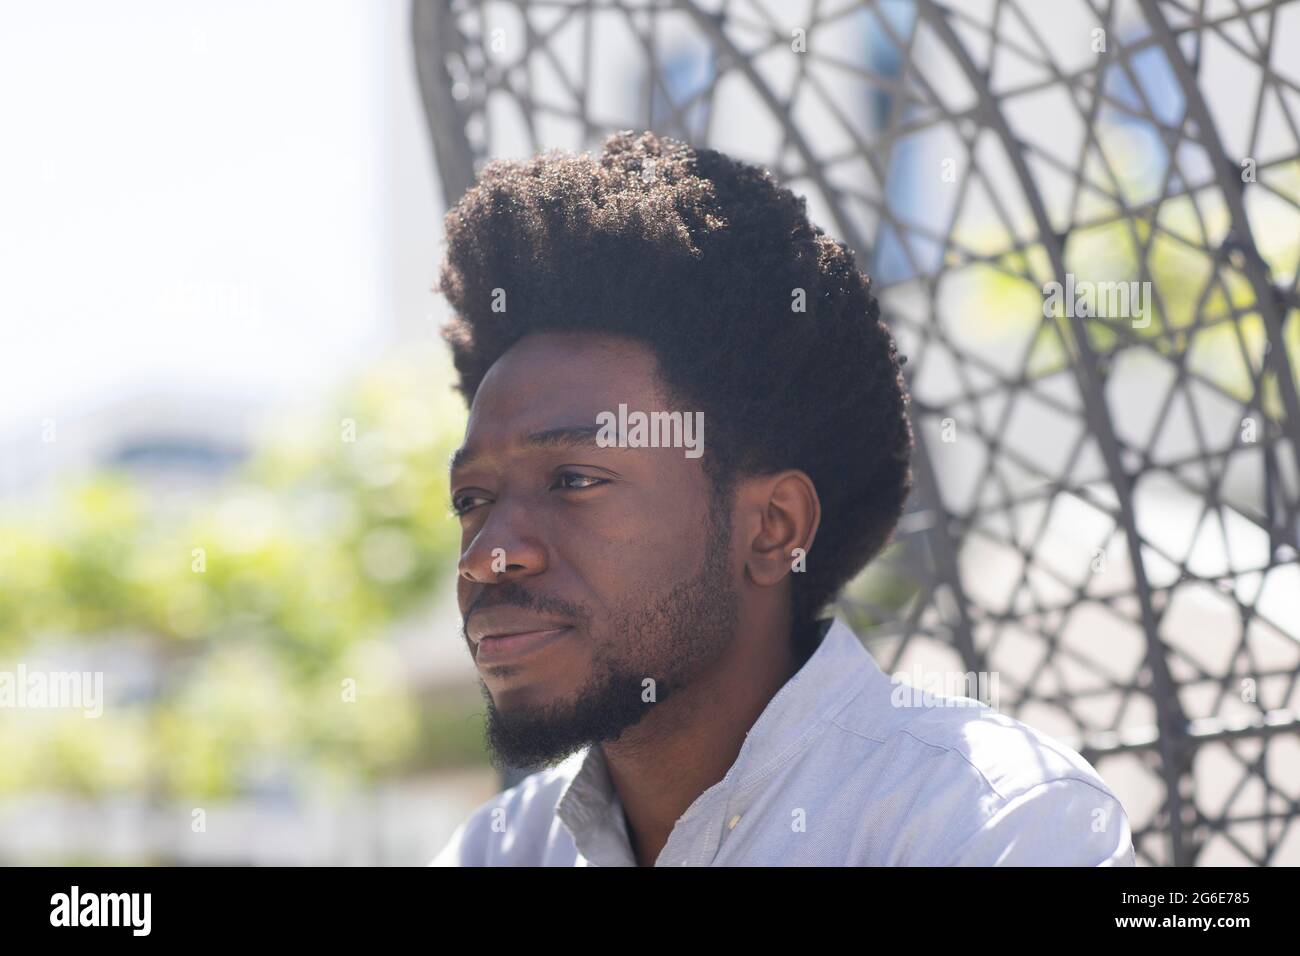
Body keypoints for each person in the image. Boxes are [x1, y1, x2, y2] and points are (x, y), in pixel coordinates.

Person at [430, 130, 1134, 867]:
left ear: (772, 530)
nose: (487, 556)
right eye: (471, 499)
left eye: (573, 481)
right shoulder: (495, 851)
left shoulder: (989, 822)